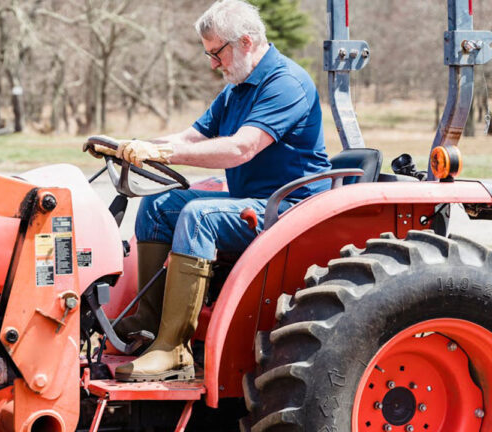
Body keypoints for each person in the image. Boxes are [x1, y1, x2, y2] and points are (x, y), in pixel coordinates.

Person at [93, 0, 331, 382]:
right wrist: (130, 146)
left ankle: (174, 349)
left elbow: (241, 148)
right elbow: (192, 137)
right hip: (252, 201)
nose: (212, 64)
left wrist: (165, 152)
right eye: (209, 54)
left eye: (216, 52)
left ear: (246, 42)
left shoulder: (285, 83)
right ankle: (150, 323)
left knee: (198, 216)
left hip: (289, 208)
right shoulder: (238, 88)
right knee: (158, 206)